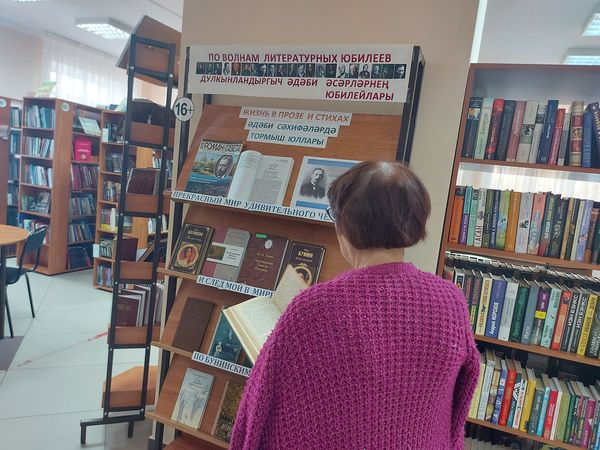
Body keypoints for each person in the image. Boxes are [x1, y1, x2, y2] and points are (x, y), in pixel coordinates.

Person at [230, 161, 479, 450]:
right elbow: (458, 405)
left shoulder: (313, 308)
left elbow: (258, 410)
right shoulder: (452, 301)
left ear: (344, 224)